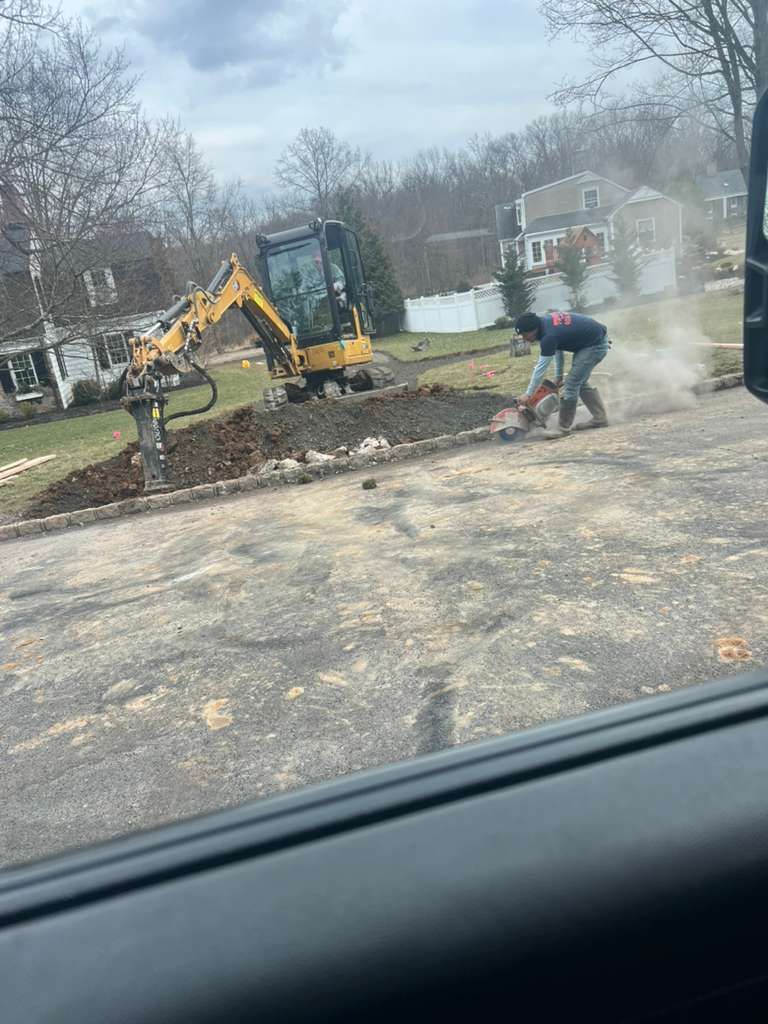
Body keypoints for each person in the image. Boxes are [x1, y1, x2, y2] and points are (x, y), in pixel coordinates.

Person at [515, 311, 609, 436]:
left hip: (595, 345)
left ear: (534, 329)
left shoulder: (549, 336)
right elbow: (558, 348)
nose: (524, 338)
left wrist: (528, 394)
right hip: (589, 342)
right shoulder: (545, 325)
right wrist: (558, 376)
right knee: (578, 382)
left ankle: (563, 428)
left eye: (525, 334)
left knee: (571, 384)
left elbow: (540, 369)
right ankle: (600, 419)